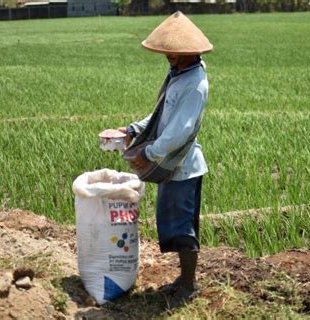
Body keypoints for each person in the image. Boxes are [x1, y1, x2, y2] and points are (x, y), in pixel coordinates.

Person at [117, 11, 212, 307]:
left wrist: (149, 152)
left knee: (182, 228)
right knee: (173, 224)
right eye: (168, 51)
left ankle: (189, 285)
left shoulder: (194, 84)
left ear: (190, 52)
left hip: (183, 168)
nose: (169, 55)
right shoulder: (178, 75)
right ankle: (184, 281)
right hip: (174, 168)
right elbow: (161, 113)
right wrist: (133, 129)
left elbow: (179, 132)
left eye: (175, 52)